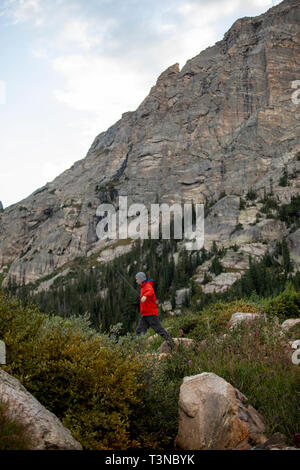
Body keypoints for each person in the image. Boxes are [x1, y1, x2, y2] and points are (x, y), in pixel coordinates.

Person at [135, 272, 174, 346]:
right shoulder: (143, 286)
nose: (136, 281)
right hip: (145, 315)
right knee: (139, 331)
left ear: (141, 279)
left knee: (158, 329)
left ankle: (171, 342)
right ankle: (137, 350)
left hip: (150, 314)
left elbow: (150, 292)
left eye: (137, 279)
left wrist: (145, 296)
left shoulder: (148, 286)